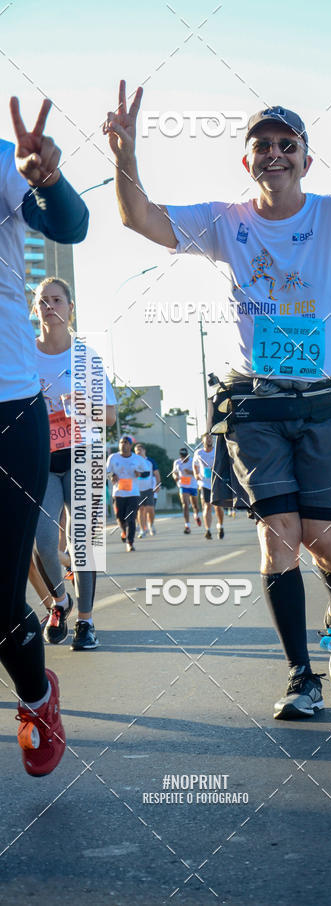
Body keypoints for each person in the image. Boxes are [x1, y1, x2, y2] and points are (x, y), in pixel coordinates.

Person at [105, 63, 331, 718]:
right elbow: (142, 219)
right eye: (263, 144)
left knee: (327, 544)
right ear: (247, 159)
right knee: (278, 537)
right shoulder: (225, 222)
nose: (275, 153)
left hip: (328, 402)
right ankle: (301, 676)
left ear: (305, 157)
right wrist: (126, 156)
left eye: (287, 143)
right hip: (256, 403)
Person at [1, 96, 88, 774]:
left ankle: (36, 695)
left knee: (2, 600)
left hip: (9, 409)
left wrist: (48, 181)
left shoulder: (5, 166)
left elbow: (69, 224)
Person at [33, 277, 116, 650]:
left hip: (83, 454)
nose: (50, 306)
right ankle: (58, 603)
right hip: (39, 457)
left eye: (56, 300)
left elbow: (110, 415)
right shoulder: (23, 356)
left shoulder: (86, 357)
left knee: (84, 543)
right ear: (35, 310)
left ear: (70, 308)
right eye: (42, 301)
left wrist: (83, 405)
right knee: (44, 541)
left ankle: (86, 621)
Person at [106, 436, 145, 551]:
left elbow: (145, 471)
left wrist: (139, 474)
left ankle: (130, 542)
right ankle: (123, 531)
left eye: (126, 443)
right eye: (121, 442)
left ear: (130, 445)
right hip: (118, 493)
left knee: (131, 519)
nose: (123, 445)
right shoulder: (113, 457)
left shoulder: (137, 459)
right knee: (120, 518)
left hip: (133, 493)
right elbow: (106, 472)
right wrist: (112, 476)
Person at [193, 433, 225, 539]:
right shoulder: (198, 453)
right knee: (206, 506)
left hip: (217, 482)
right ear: (203, 441)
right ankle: (208, 530)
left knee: (218, 507)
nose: (209, 440)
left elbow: (224, 463)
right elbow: (195, 465)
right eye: (207, 438)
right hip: (204, 483)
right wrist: (196, 474)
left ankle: (220, 526)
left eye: (211, 438)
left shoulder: (217, 451)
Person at [134, 443, 160, 538]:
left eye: (140, 450)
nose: (138, 452)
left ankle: (151, 525)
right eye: (136, 451)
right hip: (137, 490)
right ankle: (142, 529)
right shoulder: (134, 462)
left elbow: (156, 474)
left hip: (149, 489)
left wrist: (158, 484)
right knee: (140, 510)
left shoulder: (150, 461)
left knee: (150, 509)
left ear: (144, 451)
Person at [173, 446, 201, 533]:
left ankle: (196, 516)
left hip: (193, 485)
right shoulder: (177, 462)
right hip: (183, 485)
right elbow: (174, 472)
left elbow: (199, 472)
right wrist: (176, 477)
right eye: (182, 456)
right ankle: (187, 526)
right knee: (185, 504)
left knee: (195, 506)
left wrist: (190, 472)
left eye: (185, 456)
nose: (184, 458)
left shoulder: (193, 461)